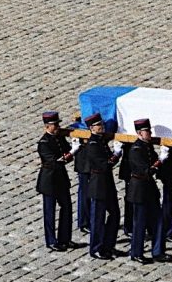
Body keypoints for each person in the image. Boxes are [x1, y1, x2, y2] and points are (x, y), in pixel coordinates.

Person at [83, 113, 123, 260]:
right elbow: (105, 165)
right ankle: (96, 248)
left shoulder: (100, 141)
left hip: (107, 183)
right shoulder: (93, 145)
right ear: (92, 128)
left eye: (102, 124)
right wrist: (117, 155)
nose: (102, 127)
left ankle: (108, 245)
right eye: (99, 125)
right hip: (98, 185)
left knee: (115, 214)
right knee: (98, 219)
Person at [36, 111, 78, 252]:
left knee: (66, 207)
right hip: (49, 181)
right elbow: (56, 161)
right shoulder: (44, 143)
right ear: (47, 126)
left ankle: (65, 238)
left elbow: (66, 154)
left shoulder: (58, 138)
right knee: (50, 212)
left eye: (58, 124)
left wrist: (72, 151)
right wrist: (71, 152)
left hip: (61, 178)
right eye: (55, 125)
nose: (57, 127)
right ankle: (51, 241)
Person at [125, 119, 161, 264]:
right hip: (139, 190)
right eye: (148, 131)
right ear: (140, 133)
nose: (150, 134)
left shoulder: (147, 146)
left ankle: (158, 251)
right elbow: (146, 170)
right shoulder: (136, 150)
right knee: (139, 223)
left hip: (149, 189)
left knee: (158, 220)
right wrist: (159, 163)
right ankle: (136, 252)